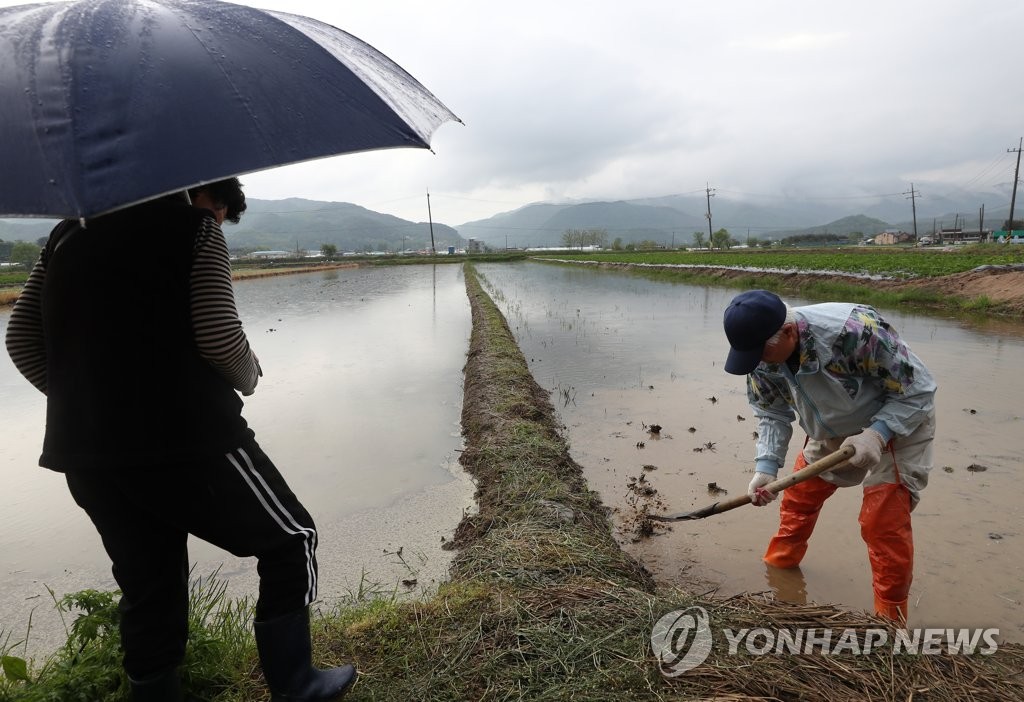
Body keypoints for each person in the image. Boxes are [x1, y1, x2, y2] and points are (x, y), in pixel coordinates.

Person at [4, 179, 356, 701]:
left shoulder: (65, 235)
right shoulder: (194, 228)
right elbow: (217, 333)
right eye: (218, 212)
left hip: (86, 452)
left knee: (150, 580)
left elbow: (20, 339)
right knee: (291, 539)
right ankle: (298, 684)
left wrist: (90, 403)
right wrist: (250, 375)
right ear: (202, 195)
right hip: (189, 438)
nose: (218, 224)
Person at [722, 289, 937, 622]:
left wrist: (878, 434)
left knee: (882, 522)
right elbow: (771, 413)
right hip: (833, 422)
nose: (758, 363)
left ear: (790, 332)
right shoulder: (762, 356)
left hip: (898, 419)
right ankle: (780, 569)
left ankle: (891, 618)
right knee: (799, 497)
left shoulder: (855, 333)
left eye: (761, 353)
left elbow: (918, 388)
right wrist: (766, 467)